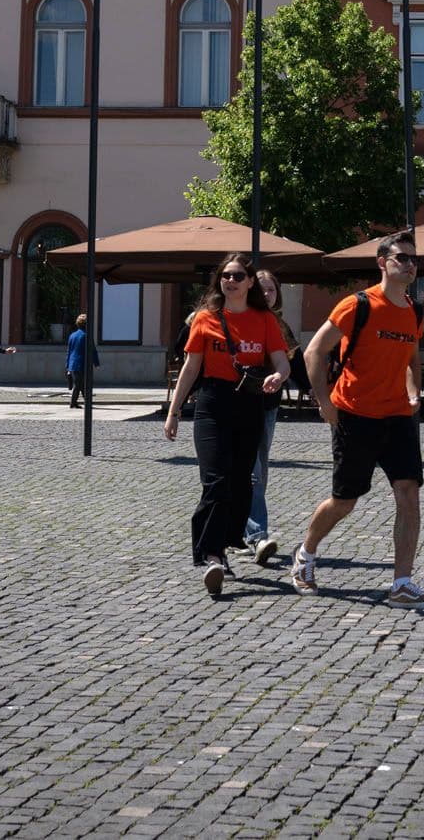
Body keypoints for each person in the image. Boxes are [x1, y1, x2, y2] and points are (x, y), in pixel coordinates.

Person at [290, 233, 424, 605]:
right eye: (402, 258)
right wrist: (323, 401)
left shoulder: (414, 311)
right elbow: (314, 352)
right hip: (355, 414)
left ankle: (402, 583)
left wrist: (414, 391)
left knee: (409, 493)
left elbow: (408, 359)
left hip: (399, 417)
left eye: (414, 260)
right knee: (345, 500)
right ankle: (305, 555)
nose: (409, 265)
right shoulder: (357, 306)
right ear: (382, 262)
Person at [163, 255, 291, 599]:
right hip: (212, 405)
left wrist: (279, 374)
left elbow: (281, 359)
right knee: (215, 481)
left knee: (240, 485)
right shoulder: (205, 319)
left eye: (237, 276)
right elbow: (191, 368)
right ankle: (212, 555)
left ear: (250, 282)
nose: (230, 281)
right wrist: (174, 411)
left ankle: (228, 540)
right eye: (225, 276)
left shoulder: (264, 320)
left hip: (249, 405)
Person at [244, 268, 309, 566]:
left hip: (267, 407)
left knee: (261, 470)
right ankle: (258, 535)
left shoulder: (279, 325)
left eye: (271, 290)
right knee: (253, 472)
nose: (267, 294)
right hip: (238, 404)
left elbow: (296, 366)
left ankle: (244, 529)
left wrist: (318, 395)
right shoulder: (240, 320)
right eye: (262, 289)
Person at [64, 312, 98, 407]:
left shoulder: (72, 335)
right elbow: (92, 350)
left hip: (73, 364)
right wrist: (96, 362)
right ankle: (73, 402)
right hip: (82, 363)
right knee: (80, 384)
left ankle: (85, 402)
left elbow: (69, 351)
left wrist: (67, 365)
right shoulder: (86, 335)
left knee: (80, 383)